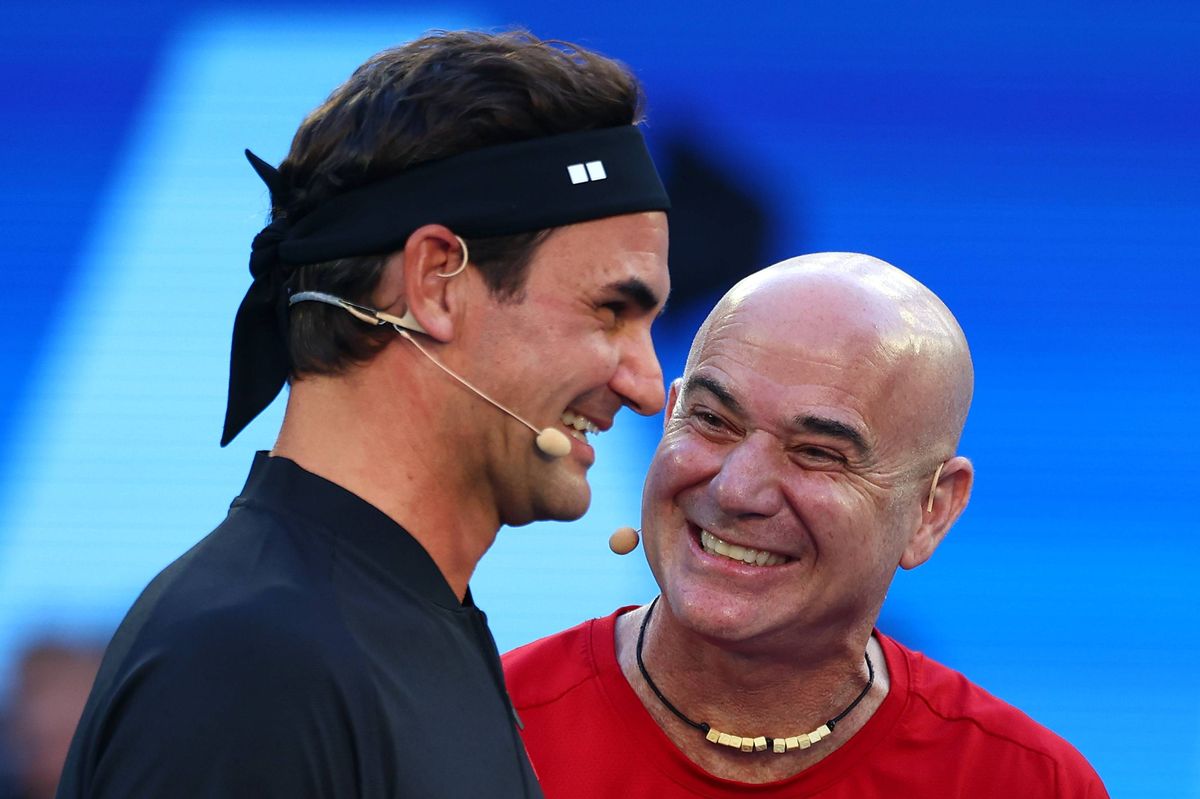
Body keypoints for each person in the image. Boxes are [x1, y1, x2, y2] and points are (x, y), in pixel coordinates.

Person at [58, 30, 671, 798]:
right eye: (612, 308)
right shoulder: (254, 664)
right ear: (436, 282)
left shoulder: (395, 627)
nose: (648, 385)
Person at [503, 253, 1109, 797]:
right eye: (712, 420)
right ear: (670, 419)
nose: (736, 489)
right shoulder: (473, 729)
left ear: (933, 511)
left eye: (818, 453)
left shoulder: (1024, 782)